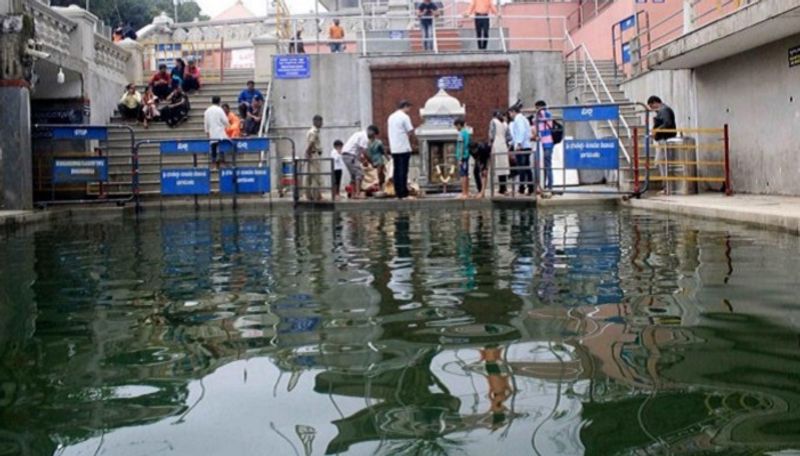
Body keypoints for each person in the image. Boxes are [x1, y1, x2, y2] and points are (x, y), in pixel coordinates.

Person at [648, 95, 677, 191]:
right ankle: (666, 184)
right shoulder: (663, 110)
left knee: (661, 161)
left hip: (665, 139)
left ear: (655, 103)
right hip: (663, 139)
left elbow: (667, 123)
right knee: (660, 161)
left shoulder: (664, 110)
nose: (652, 109)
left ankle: (666, 185)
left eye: (652, 107)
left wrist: (656, 130)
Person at [388, 100, 415, 199]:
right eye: (409, 107)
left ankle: (398, 192)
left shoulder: (391, 117)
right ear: (405, 106)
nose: (409, 110)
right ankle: (404, 193)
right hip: (403, 147)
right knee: (403, 170)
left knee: (396, 170)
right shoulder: (404, 117)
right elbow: (410, 131)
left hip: (394, 148)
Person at [342, 126, 377, 200]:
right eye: (374, 135)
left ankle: (353, 194)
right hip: (350, 155)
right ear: (371, 131)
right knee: (359, 173)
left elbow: (359, 152)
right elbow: (365, 152)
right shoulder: (364, 137)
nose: (373, 137)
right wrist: (372, 162)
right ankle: (358, 193)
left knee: (353, 175)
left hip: (347, 155)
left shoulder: (359, 134)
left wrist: (363, 161)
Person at [509, 105, 534, 195]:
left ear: (514, 112)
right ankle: (530, 187)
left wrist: (518, 143)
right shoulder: (524, 119)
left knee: (522, 168)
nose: (510, 115)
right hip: (526, 145)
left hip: (522, 147)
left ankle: (522, 188)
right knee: (527, 168)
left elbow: (521, 131)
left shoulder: (518, 119)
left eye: (510, 113)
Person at [534, 100, 555, 192]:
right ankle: (543, 185)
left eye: (537, 108)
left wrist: (542, 113)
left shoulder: (547, 114)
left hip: (547, 142)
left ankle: (549, 185)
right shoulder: (537, 116)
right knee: (543, 164)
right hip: (541, 142)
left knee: (547, 164)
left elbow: (550, 125)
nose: (536, 110)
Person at [204, 96, 229, 167]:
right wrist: (226, 125)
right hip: (220, 133)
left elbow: (206, 123)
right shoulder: (219, 110)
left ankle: (214, 163)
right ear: (219, 101)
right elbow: (225, 121)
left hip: (212, 133)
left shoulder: (207, 111)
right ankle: (222, 162)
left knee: (213, 147)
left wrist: (207, 132)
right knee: (222, 147)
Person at [305, 115, 324, 201]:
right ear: (316, 121)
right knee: (315, 175)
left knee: (310, 175)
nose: (322, 124)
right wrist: (308, 153)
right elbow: (311, 143)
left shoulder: (311, 131)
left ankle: (309, 195)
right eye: (320, 122)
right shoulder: (314, 131)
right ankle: (316, 196)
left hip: (312, 154)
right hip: (314, 154)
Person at [490, 110, 510, 195]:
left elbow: (491, 134)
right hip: (504, 145)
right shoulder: (505, 124)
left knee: (498, 167)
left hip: (496, 144)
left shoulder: (493, 122)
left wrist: (490, 143)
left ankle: (501, 188)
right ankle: (504, 187)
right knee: (504, 167)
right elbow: (509, 137)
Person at [454, 118, 471, 199]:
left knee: (463, 175)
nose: (456, 128)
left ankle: (464, 193)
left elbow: (460, 147)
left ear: (459, 125)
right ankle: (467, 192)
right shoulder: (467, 133)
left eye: (456, 126)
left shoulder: (461, 134)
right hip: (467, 155)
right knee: (466, 174)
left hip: (463, 157)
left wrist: (460, 158)